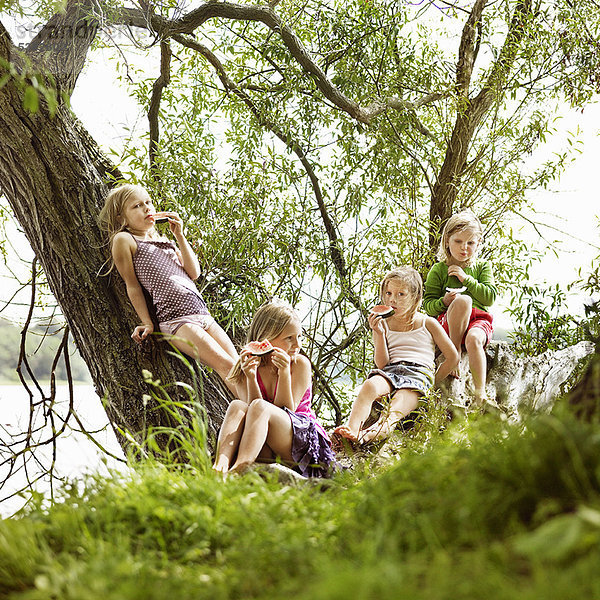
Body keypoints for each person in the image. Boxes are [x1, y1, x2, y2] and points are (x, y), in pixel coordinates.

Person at [99, 183, 240, 396]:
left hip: (202, 313)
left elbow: (194, 273)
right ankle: (257, 411)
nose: (147, 208)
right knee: (226, 366)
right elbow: (133, 286)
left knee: (239, 366)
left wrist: (179, 236)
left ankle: (258, 411)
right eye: (137, 206)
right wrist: (146, 321)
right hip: (177, 319)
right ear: (121, 218)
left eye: (148, 202)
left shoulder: (163, 241)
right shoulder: (125, 239)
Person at [334, 266, 459, 445]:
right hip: (391, 370)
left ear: (415, 297)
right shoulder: (383, 323)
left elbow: (452, 357)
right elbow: (382, 363)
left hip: (419, 374)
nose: (393, 299)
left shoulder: (427, 323)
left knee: (395, 408)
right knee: (369, 386)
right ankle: (352, 429)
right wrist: (377, 333)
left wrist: (432, 381)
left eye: (401, 294)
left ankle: (369, 435)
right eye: (388, 293)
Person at [212, 300, 336, 478]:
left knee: (260, 407)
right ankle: (220, 465)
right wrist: (251, 378)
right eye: (289, 338)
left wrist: (284, 374)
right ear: (265, 338)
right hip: (262, 444)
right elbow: (250, 413)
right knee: (238, 406)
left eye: (299, 337)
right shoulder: (244, 368)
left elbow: (287, 410)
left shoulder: (299, 364)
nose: (297, 345)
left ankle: (241, 466)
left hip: (299, 441)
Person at [423, 210, 497, 406]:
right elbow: (428, 306)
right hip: (449, 325)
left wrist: (467, 279)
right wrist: (444, 302)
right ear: (447, 241)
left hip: (478, 321)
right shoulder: (439, 270)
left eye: (471, 243)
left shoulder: (482, 267)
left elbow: (489, 298)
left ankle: (480, 393)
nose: (464, 248)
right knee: (463, 301)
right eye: (458, 242)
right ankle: (453, 352)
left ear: (478, 243)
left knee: (474, 339)